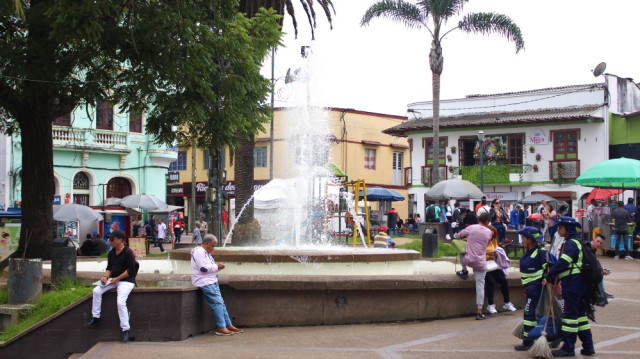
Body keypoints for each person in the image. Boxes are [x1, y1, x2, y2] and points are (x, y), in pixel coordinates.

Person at [544, 217, 595, 357]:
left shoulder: (571, 244)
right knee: (580, 317)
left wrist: (550, 274)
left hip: (573, 283)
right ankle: (588, 346)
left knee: (570, 316)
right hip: (577, 283)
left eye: (561, 227)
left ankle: (568, 347)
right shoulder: (573, 242)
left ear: (568, 229)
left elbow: (563, 263)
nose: (558, 230)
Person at [85, 230, 137, 342]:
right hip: (113, 280)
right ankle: (96, 317)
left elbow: (131, 270)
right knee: (96, 291)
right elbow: (109, 267)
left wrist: (117, 279)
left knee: (120, 302)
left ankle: (126, 329)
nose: (110, 241)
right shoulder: (111, 253)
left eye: (112, 239)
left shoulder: (128, 252)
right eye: (110, 239)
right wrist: (105, 277)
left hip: (126, 281)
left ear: (120, 240)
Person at [191, 234, 243, 336]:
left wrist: (218, 267)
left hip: (211, 281)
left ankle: (228, 324)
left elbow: (209, 267)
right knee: (217, 303)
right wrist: (216, 266)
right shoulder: (199, 252)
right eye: (212, 246)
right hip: (205, 282)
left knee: (221, 303)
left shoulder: (206, 253)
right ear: (206, 243)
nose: (213, 248)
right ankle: (221, 327)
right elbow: (203, 268)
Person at [515, 226, 554, 351]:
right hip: (529, 289)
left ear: (530, 239)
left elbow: (548, 269)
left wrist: (545, 277)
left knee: (529, 314)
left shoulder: (541, 252)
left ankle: (528, 341)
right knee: (529, 314)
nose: (522, 240)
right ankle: (529, 338)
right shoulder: (528, 252)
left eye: (523, 238)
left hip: (535, 289)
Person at [453, 212, 493, 320]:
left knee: (461, 250)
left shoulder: (471, 228)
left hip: (469, 259)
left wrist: (466, 239)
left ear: (478, 219)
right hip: (480, 261)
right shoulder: (489, 232)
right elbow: (484, 244)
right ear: (487, 222)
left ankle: (464, 270)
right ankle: (479, 311)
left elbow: (458, 235)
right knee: (480, 286)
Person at [484, 225, 517, 314]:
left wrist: (496, 253)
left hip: (493, 264)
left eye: (493, 235)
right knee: (490, 282)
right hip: (484, 265)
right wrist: (488, 253)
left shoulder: (493, 241)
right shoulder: (482, 241)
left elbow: (496, 249)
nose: (491, 236)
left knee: (503, 281)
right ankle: (490, 304)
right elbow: (477, 252)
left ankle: (507, 302)